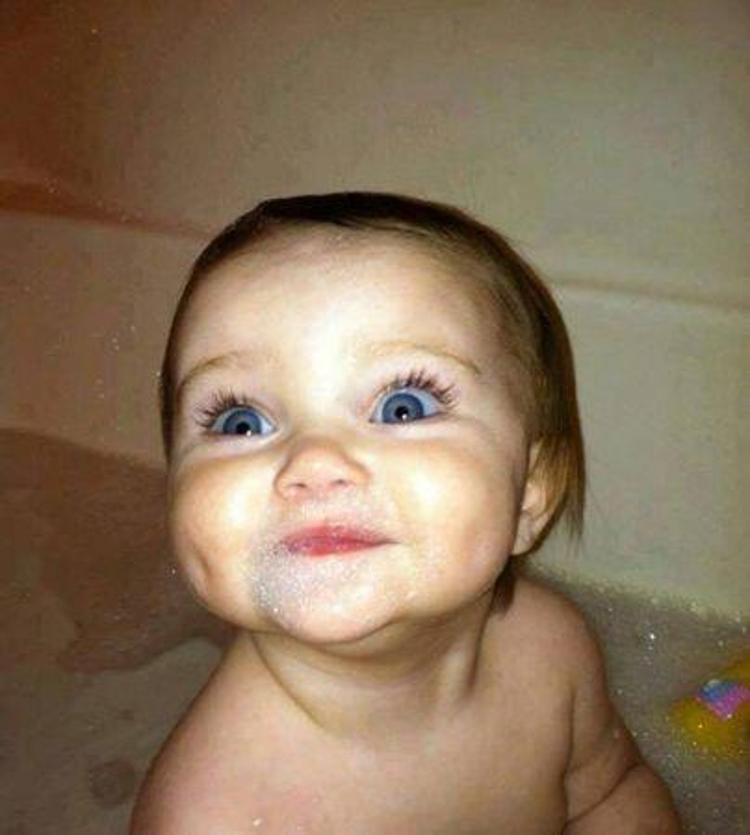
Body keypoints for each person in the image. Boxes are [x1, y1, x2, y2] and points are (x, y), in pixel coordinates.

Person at [130, 192, 681, 833]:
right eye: (241, 421)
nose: (314, 461)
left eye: (403, 407)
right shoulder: (213, 818)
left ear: (531, 491)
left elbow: (609, 793)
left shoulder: (550, 650)